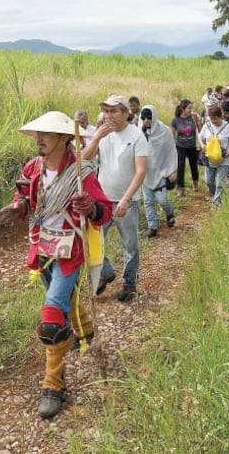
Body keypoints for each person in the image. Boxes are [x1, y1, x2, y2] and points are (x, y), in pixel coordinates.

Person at [0, 111, 113, 419]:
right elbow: (24, 195)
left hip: (70, 251)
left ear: (64, 138)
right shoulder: (32, 169)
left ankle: (54, 385)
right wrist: (19, 206)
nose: (39, 139)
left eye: (46, 134)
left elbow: (105, 212)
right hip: (42, 249)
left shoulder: (81, 174)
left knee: (51, 315)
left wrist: (92, 206)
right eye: (37, 133)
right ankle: (85, 331)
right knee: (63, 301)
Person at [82, 94, 148, 302]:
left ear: (125, 113)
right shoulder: (102, 134)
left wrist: (126, 198)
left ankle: (129, 283)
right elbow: (85, 159)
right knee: (91, 240)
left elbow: (141, 171)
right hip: (102, 200)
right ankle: (106, 272)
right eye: (106, 111)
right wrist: (97, 137)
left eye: (114, 111)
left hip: (126, 201)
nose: (109, 115)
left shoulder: (137, 136)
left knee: (130, 245)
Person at [139, 104, 177, 238]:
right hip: (145, 172)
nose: (146, 121)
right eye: (143, 118)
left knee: (162, 199)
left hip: (161, 171)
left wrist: (173, 170)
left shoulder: (164, 131)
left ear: (154, 117)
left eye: (149, 118)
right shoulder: (139, 132)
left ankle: (169, 212)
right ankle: (152, 227)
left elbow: (171, 150)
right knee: (148, 201)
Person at [198, 106, 229, 208]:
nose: (213, 121)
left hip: (224, 159)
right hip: (210, 159)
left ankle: (217, 204)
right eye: (211, 119)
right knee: (208, 180)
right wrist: (203, 145)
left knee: (219, 182)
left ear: (220, 116)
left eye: (215, 119)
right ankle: (216, 194)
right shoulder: (207, 126)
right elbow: (200, 137)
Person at [170, 99, 202, 196]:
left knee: (194, 165)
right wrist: (173, 147)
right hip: (180, 146)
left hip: (192, 146)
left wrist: (201, 144)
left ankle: (195, 182)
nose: (190, 110)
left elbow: (200, 131)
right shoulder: (175, 120)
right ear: (183, 109)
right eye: (189, 108)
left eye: (191, 108)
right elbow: (172, 134)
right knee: (180, 167)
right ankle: (180, 188)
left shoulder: (194, 117)